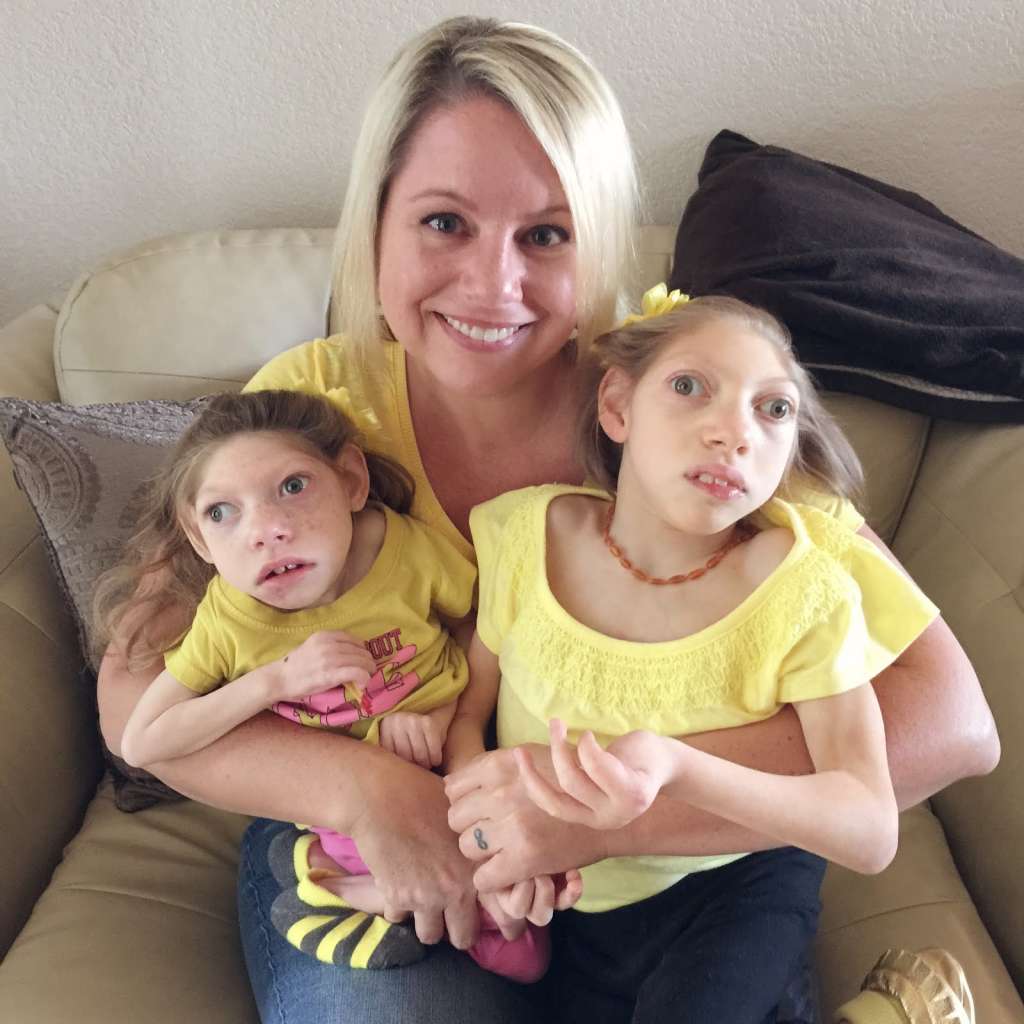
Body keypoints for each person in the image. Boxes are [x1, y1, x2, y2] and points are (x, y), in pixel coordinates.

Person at [95, 15, 999, 1024]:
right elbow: (132, 694)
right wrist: (365, 792)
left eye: (546, 234)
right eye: (444, 222)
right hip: (374, 823)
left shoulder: (678, 398)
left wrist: (601, 816)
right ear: (375, 226)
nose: (494, 285)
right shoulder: (312, 414)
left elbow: (951, 722)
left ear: (597, 242)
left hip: (662, 874)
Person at [444, 289, 939, 1020]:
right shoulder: (524, 536)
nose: (733, 433)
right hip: (575, 910)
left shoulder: (801, 590)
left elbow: (868, 827)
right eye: (689, 387)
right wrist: (490, 843)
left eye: (773, 409)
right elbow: (468, 717)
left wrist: (678, 767)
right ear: (618, 405)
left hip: (733, 892)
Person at [98, 388, 563, 981]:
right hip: (344, 812)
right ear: (197, 539)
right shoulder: (228, 622)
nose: (266, 530)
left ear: (351, 482)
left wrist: (445, 716)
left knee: (526, 946)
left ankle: (347, 889)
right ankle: (333, 879)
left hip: (452, 766)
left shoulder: (405, 552)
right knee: (507, 940)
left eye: (293, 486)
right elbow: (142, 742)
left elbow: (482, 626)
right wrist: (275, 680)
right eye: (221, 513)